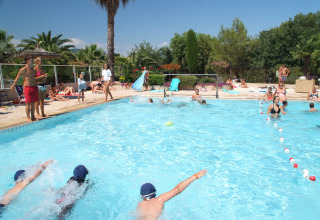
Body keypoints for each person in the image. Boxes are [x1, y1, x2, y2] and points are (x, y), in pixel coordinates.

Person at [137, 170, 207, 220]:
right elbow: (177, 189)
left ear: (142, 196)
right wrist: (195, 176)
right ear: (155, 193)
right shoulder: (159, 200)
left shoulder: (140, 205)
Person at [10, 58, 47, 122]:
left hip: (34, 87)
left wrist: (42, 77)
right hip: (28, 87)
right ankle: (28, 117)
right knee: (28, 103)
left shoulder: (33, 69)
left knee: (33, 103)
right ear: (27, 61)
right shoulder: (24, 69)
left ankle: (33, 117)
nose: (32, 61)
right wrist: (13, 85)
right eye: (31, 60)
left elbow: (34, 78)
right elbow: (17, 77)